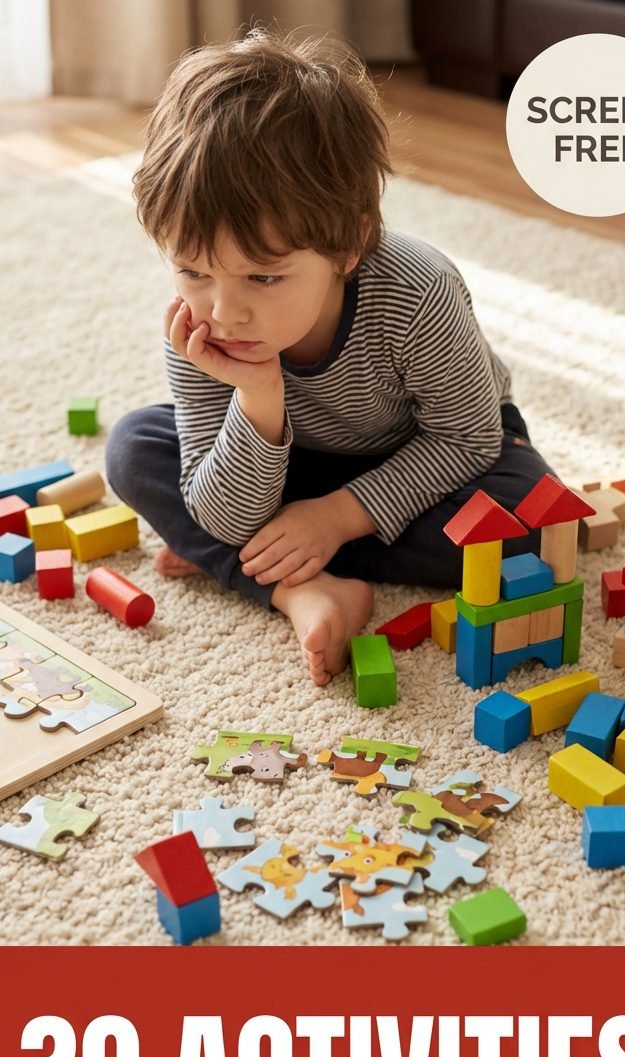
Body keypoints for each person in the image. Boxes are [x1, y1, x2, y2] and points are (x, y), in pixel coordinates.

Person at [106, 25, 555, 687]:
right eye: (194, 271)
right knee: (134, 449)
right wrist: (258, 399)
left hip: (433, 454)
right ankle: (297, 588)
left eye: (263, 277)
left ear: (350, 245)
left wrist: (333, 519)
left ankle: (257, 558)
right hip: (287, 464)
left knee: (528, 522)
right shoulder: (198, 329)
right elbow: (223, 510)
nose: (224, 312)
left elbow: (466, 438)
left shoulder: (417, 292)